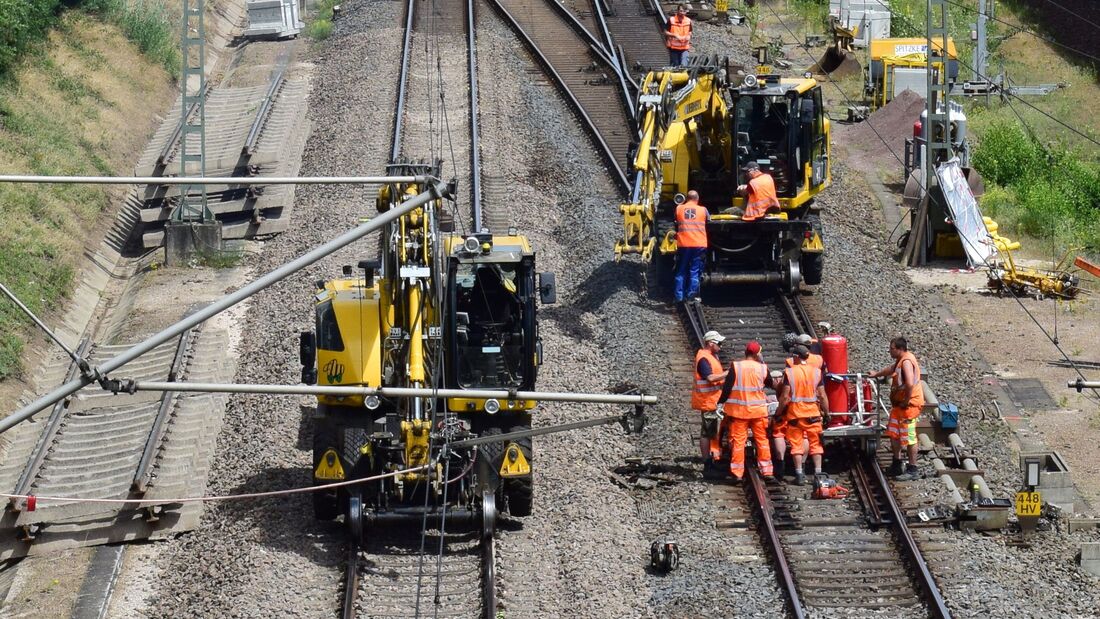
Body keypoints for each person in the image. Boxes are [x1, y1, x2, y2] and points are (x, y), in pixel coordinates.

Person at [716, 340, 777, 482]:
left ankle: (737, 473)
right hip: (758, 412)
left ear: (745, 352)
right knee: (762, 441)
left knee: (738, 442)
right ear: (757, 354)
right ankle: (767, 471)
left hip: (739, 412)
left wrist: (720, 403)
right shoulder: (762, 368)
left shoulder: (736, 366)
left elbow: (727, 388)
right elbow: (771, 384)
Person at [868, 337, 925, 481]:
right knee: (894, 434)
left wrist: (906, 400)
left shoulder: (906, 362)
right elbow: (891, 369)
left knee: (909, 437)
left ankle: (913, 469)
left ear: (900, 349)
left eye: (891, 348)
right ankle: (897, 463)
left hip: (908, 406)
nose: (889, 351)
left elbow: (909, 383)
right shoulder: (901, 360)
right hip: (899, 406)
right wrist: (876, 374)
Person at [778, 345, 829, 485]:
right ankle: (818, 474)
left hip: (795, 414)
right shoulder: (816, 372)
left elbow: (785, 397)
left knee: (797, 445)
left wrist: (779, 412)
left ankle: (799, 474)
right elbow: (822, 395)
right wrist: (827, 413)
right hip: (813, 414)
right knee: (816, 444)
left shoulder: (790, 372)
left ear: (796, 357)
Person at [693, 330, 728, 464]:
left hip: (713, 400)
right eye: (719, 343)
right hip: (708, 401)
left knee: (711, 431)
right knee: (707, 432)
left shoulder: (711, 356)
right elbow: (711, 378)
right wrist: (728, 373)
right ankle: (707, 462)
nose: (721, 346)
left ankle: (712, 457)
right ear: (711, 343)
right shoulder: (703, 358)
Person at [673, 190, 708, 303]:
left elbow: (675, 221)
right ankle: (691, 296)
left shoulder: (679, 208)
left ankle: (679, 297)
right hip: (699, 244)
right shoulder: (703, 210)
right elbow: (709, 220)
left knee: (681, 270)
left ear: (687, 199)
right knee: (695, 270)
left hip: (683, 244)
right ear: (697, 199)